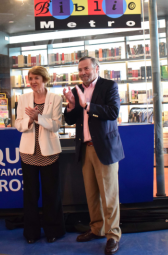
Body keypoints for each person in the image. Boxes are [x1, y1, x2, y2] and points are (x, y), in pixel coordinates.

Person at [63, 56, 124, 255]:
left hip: (104, 148)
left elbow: (113, 112)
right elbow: (71, 120)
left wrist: (87, 105)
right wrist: (71, 106)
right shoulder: (76, 90)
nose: (83, 73)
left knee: (109, 194)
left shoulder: (109, 86)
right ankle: (97, 228)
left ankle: (112, 234)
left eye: (86, 69)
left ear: (96, 68)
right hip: (85, 148)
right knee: (91, 194)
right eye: (80, 70)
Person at [15, 66, 65, 244]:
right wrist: (30, 119)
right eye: (30, 78)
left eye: (36, 78)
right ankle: (31, 233)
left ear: (44, 79)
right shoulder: (23, 98)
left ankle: (53, 230)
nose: (33, 81)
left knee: (51, 194)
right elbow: (19, 125)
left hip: (49, 153)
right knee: (30, 195)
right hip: (28, 153)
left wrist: (38, 117)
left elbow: (57, 125)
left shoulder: (55, 98)